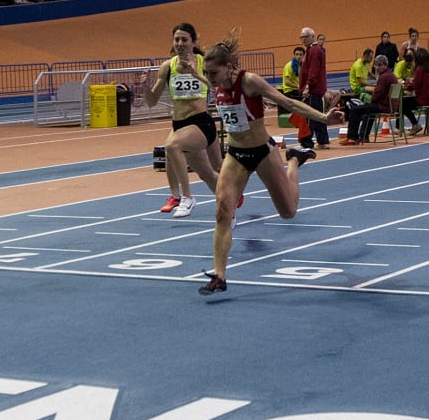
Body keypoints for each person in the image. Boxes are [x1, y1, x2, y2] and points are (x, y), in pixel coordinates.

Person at [197, 31, 345, 295]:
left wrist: (323, 118)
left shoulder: (250, 82)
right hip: (236, 155)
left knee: (288, 212)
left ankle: (293, 162)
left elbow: (286, 102)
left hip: (263, 152)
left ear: (229, 68)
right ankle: (219, 275)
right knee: (222, 209)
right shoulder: (216, 83)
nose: (209, 80)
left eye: (213, 74)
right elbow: (203, 78)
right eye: (206, 74)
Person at [142, 23, 221, 218]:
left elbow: (217, 87)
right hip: (179, 124)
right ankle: (230, 195)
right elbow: (152, 102)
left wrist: (196, 74)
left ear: (193, 42)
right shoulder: (168, 67)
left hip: (201, 121)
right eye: (176, 39)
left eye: (184, 39)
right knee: (207, 174)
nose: (180, 43)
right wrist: (145, 87)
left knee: (171, 145)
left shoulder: (204, 62)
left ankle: (186, 197)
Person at [297, 26, 332, 149]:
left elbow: (313, 71)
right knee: (318, 116)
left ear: (312, 37)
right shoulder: (312, 50)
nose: (303, 40)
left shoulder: (314, 51)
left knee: (310, 116)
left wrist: (307, 87)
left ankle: (307, 142)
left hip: (313, 90)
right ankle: (323, 141)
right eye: (301, 37)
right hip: (315, 90)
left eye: (305, 37)